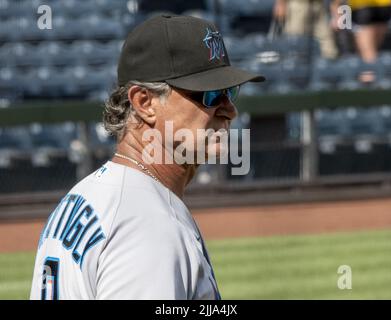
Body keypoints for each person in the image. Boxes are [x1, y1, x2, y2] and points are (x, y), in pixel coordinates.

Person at [30, 14, 264, 300]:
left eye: (230, 92)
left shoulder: (87, 195)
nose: (230, 109)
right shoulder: (148, 224)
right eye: (211, 94)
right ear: (144, 102)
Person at [331, 0, 391, 82]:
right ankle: (373, 80)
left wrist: (336, 13)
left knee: (368, 56)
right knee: (372, 52)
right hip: (384, 6)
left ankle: (370, 83)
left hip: (362, 7)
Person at [273, 0, 339, 59]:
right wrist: (281, 3)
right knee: (294, 44)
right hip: (298, 6)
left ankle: (329, 69)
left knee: (329, 49)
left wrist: (336, 13)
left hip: (319, 6)